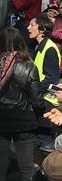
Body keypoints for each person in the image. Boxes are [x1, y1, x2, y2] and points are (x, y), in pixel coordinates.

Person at [0, 27, 44, 181]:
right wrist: (38, 112)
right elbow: (37, 100)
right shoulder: (28, 66)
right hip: (23, 120)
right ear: (21, 43)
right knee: (26, 167)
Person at [27, 15, 61, 152]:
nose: (28, 28)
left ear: (42, 29)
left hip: (45, 100)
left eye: (32, 25)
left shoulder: (50, 48)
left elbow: (52, 77)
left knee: (45, 142)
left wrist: (35, 89)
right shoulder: (39, 46)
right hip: (40, 97)